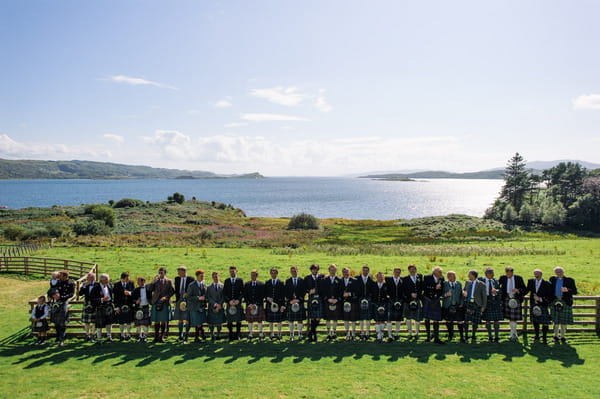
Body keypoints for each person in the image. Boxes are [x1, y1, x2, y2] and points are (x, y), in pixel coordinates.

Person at [549, 267, 578, 344]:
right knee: (555, 320)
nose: (559, 273)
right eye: (557, 272)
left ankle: (563, 337)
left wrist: (567, 290)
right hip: (555, 300)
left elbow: (575, 291)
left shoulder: (570, 280)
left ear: (563, 272)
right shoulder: (552, 279)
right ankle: (555, 336)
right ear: (555, 273)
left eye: (560, 272)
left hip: (565, 301)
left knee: (563, 320)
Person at [147, 267, 175, 343]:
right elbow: (149, 289)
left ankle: (162, 337)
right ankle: (156, 337)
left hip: (165, 303)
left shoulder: (169, 281)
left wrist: (166, 297)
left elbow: (172, 291)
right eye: (159, 272)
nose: (160, 274)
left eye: (162, 273)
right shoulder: (156, 281)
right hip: (156, 302)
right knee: (156, 321)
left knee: (163, 321)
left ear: (165, 273)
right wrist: (153, 281)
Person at [499, 266, 526, 342]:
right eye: (507, 273)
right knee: (510, 318)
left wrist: (518, 290)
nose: (508, 274)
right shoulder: (503, 278)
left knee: (514, 318)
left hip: (516, 299)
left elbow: (525, 289)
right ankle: (514, 334)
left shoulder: (518, 278)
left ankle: (513, 334)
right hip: (506, 299)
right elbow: (498, 286)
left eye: (509, 273)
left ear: (512, 272)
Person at [526, 269, 553, 344]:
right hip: (533, 304)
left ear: (541, 274)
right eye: (535, 273)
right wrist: (518, 291)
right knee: (535, 321)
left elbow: (550, 296)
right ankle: (537, 336)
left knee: (545, 322)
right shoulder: (531, 281)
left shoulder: (547, 284)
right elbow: (526, 290)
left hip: (543, 304)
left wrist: (541, 299)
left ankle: (544, 338)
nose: (536, 275)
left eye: (537, 274)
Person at [463, 270, 486, 343]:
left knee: (475, 322)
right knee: (466, 321)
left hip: (476, 304)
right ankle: (466, 335)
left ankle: (473, 335)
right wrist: (464, 292)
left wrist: (483, 306)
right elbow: (464, 290)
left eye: (469, 274)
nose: (468, 276)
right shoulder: (467, 282)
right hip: (468, 303)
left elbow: (484, 296)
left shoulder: (481, 284)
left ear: (473, 275)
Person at [320, 264, 342, 341]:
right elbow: (322, 291)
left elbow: (341, 291)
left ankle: (334, 333)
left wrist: (337, 299)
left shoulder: (340, 280)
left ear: (336, 270)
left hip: (336, 301)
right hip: (327, 301)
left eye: (334, 270)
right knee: (328, 318)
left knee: (335, 318)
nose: (332, 271)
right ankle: (329, 334)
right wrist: (327, 299)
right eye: (331, 270)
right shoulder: (324, 280)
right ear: (329, 270)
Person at [480, 267, 502, 343]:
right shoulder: (481, 280)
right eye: (491, 273)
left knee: (496, 320)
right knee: (487, 320)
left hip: (495, 302)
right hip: (486, 301)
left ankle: (496, 337)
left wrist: (496, 291)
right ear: (487, 274)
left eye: (493, 273)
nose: (493, 275)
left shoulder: (495, 281)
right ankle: (490, 337)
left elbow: (500, 290)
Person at [402, 264, 424, 341]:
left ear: (416, 269)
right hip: (408, 300)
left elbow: (422, 287)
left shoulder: (420, 277)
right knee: (408, 318)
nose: (412, 270)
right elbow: (403, 290)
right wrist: (410, 294)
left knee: (417, 318)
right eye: (411, 269)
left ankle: (417, 333)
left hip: (417, 299)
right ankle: (410, 333)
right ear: (409, 270)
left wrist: (418, 295)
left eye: (414, 269)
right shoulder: (405, 279)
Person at [423, 266, 445, 344]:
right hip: (428, 299)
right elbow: (424, 288)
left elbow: (442, 289)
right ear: (435, 272)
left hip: (436, 300)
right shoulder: (427, 277)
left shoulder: (441, 278)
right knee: (427, 318)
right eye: (440, 272)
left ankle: (436, 338)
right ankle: (428, 337)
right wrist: (434, 287)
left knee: (436, 319)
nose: (441, 274)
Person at [173, 266, 195, 343]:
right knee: (180, 318)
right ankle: (180, 335)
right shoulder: (177, 279)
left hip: (188, 301)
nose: (178, 273)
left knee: (187, 319)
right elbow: (176, 290)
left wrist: (187, 294)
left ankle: (186, 336)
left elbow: (193, 290)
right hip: (179, 300)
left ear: (184, 271)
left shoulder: (191, 279)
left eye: (179, 272)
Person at [285, 266, 307, 341]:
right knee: (291, 319)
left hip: (299, 302)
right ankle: (292, 335)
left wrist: (298, 299)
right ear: (290, 272)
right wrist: (290, 301)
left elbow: (304, 291)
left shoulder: (302, 280)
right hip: (291, 302)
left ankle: (300, 334)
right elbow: (286, 292)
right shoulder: (288, 281)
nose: (294, 272)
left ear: (298, 271)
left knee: (300, 320)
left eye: (295, 271)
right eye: (292, 271)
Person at [223, 265, 245, 341]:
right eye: (231, 271)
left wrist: (238, 300)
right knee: (229, 320)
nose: (232, 272)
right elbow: (224, 293)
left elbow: (243, 292)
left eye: (233, 271)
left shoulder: (240, 280)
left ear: (236, 271)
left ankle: (238, 334)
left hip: (237, 303)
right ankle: (231, 334)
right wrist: (229, 301)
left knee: (238, 320)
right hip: (229, 303)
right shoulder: (227, 281)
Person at [442, 271, 465, 343]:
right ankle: (450, 336)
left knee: (460, 321)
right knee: (449, 321)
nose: (454, 277)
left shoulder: (459, 284)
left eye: (454, 276)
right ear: (448, 277)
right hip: (448, 305)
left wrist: (461, 303)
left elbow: (461, 295)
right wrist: (446, 295)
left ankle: (462, 337)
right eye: (452, 276)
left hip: (457, 305)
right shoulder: (444, 284)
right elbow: (441, 294)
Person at [186, 269, 208, 343]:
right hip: (194, 306)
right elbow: (188, 297)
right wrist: (198, 298)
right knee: (197, 323)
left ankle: (202, 334)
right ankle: (197, 337)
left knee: (200, 322)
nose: (202, 278)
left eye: (203, 276)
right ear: (197, 276)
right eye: (201, 276)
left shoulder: (204, 283)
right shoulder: (192, 285)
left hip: (202, 306)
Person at [244, 269, 266, 340]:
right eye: (251, 275)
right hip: (249, 305)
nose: (252, 276)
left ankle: (261, 333)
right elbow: (245, 295)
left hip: (259, 305)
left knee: (260, 320)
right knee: (250, 320)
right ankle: (250, 334)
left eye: (254, 275)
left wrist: (256, 304)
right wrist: (249, 304)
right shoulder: (247, 284)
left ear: (257, 276)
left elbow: (263, 295)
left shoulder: (261, 284)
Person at [265, 267, 286, 340]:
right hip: (269, 304)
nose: (273, 274)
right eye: (272, 273)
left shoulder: (281, 283)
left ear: (277, 274)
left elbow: (283, 295)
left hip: (279, 304)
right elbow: (264, 294)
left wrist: (283, 305)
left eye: (275, 273)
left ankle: (279, 333)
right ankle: (271, 333)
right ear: (270, 273)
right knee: (270, 320)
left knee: (279, 320)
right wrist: (267, 298)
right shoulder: (267, 282)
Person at [355, 265, 376, 340]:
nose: (365, 272)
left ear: (368, 271)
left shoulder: (371, 279)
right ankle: (361, 333)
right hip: (360, 298)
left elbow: (373, 290)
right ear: (362, 271)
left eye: (366, 270)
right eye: (364, 270)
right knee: (361, 317)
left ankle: (367, 333)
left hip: (368, 299)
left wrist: (371, 297)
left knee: (368, 317)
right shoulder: (357, 278)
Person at [113, 271, 135, 341]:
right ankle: (122, 335)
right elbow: (115, 297)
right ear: (123, 278)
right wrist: (116, 307)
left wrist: (130, 293)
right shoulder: (116, 285)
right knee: (121, 321)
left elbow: (134, 293)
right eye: (127, 278)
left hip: (129, 305)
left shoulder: (131, 283)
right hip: (120, 305)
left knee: (129, 321)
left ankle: (128, 334)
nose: (128, 279)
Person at [78, 272, 99, 342]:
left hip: (95, 304)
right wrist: (83, 286)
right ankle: (87, 335)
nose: (88, 279)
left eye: (89, 278)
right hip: (87, 303)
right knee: (86, 321)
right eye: (88, 278)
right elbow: (80, 294)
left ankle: (93, 335)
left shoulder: (97, 285)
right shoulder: (85, 285)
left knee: (95, 321)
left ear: (94, 278)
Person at [305, 264, 324, 342]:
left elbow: (324, 286)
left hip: (319, 298)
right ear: (311, 270)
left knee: (318, 317)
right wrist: (309, 291)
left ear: (318, 269)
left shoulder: (322, 277)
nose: (314, 270)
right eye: (313, 269)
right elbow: (304, 288)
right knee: (312, 317)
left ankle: (311, 332)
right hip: (311, 298)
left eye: (316, 269)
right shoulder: (307, 278)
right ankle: (314, 335)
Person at [94, 273, 114, 344]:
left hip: (109, 306)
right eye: (107, 279)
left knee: (109, 322)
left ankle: (109, 337)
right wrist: (102, 299)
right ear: (102, 280)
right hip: (101, 306)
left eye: (108, 279)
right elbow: (92, 299)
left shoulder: (109, 285)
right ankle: (99, 339)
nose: (108, 280)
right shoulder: (96, 287)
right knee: (99, 324)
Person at [340, 267, 358, 341]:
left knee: (353, 319)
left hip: (353, 302)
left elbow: (358, 291)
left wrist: (350, 294)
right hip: (344, 302)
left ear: (350, 272)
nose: (346, 273)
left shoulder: (355, 281)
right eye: (344, 272)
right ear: (342, 273)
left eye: (347, 272)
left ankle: (353, 334)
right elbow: (337, 291)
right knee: (346, 319)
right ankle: (347, 334)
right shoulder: (340, 281)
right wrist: (342, 294)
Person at [386, 267, 404, 342]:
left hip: (400, 301)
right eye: (396, 272)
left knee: (398, 319)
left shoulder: (402, 280)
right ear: (393, 272)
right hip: (391, 300)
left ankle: (396, 334)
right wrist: (389, 299)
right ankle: (390, 335)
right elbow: (386, 290)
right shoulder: (388, 279)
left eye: (398, 272)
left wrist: (401, 300)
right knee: (389, 319)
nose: (397, 273)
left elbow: (404, 291)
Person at [206, 271, 225, 340]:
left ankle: (218, 334)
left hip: (220, 306)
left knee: (219, 322)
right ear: (212, 278)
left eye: (216, 277)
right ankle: (212, 334)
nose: (215, 278)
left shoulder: (223, 286)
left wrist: (219, 305)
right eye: (214, 277)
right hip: (212, 307)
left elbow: (223, 297)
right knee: (211, 322)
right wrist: (215, 304)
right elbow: (208, 297)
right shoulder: (209, 287)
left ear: (219, 277)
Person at [370, 272, 389, 343]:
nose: (380, 278)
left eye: (382, 277)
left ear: (383, 278)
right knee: (377, 320)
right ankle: (378, 336)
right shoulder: (373, 285)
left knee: (383, 320)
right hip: (375, 304)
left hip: (384, 304)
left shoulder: (386, 285)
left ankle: (382, 336)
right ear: (376, 277)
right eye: (379, 277)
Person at [131, 277, 151, 342]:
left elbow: (151, 297)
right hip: (138, 308)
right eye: (138, 281)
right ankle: (139, 336)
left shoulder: (148, 289)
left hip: (146, 307)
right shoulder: (135, 290)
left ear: (143, 282)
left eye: (139, 281)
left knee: (146, 323)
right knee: (138, 323)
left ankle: (145, 336)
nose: (138, 283)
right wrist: (135, 302)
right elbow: (132, 299)